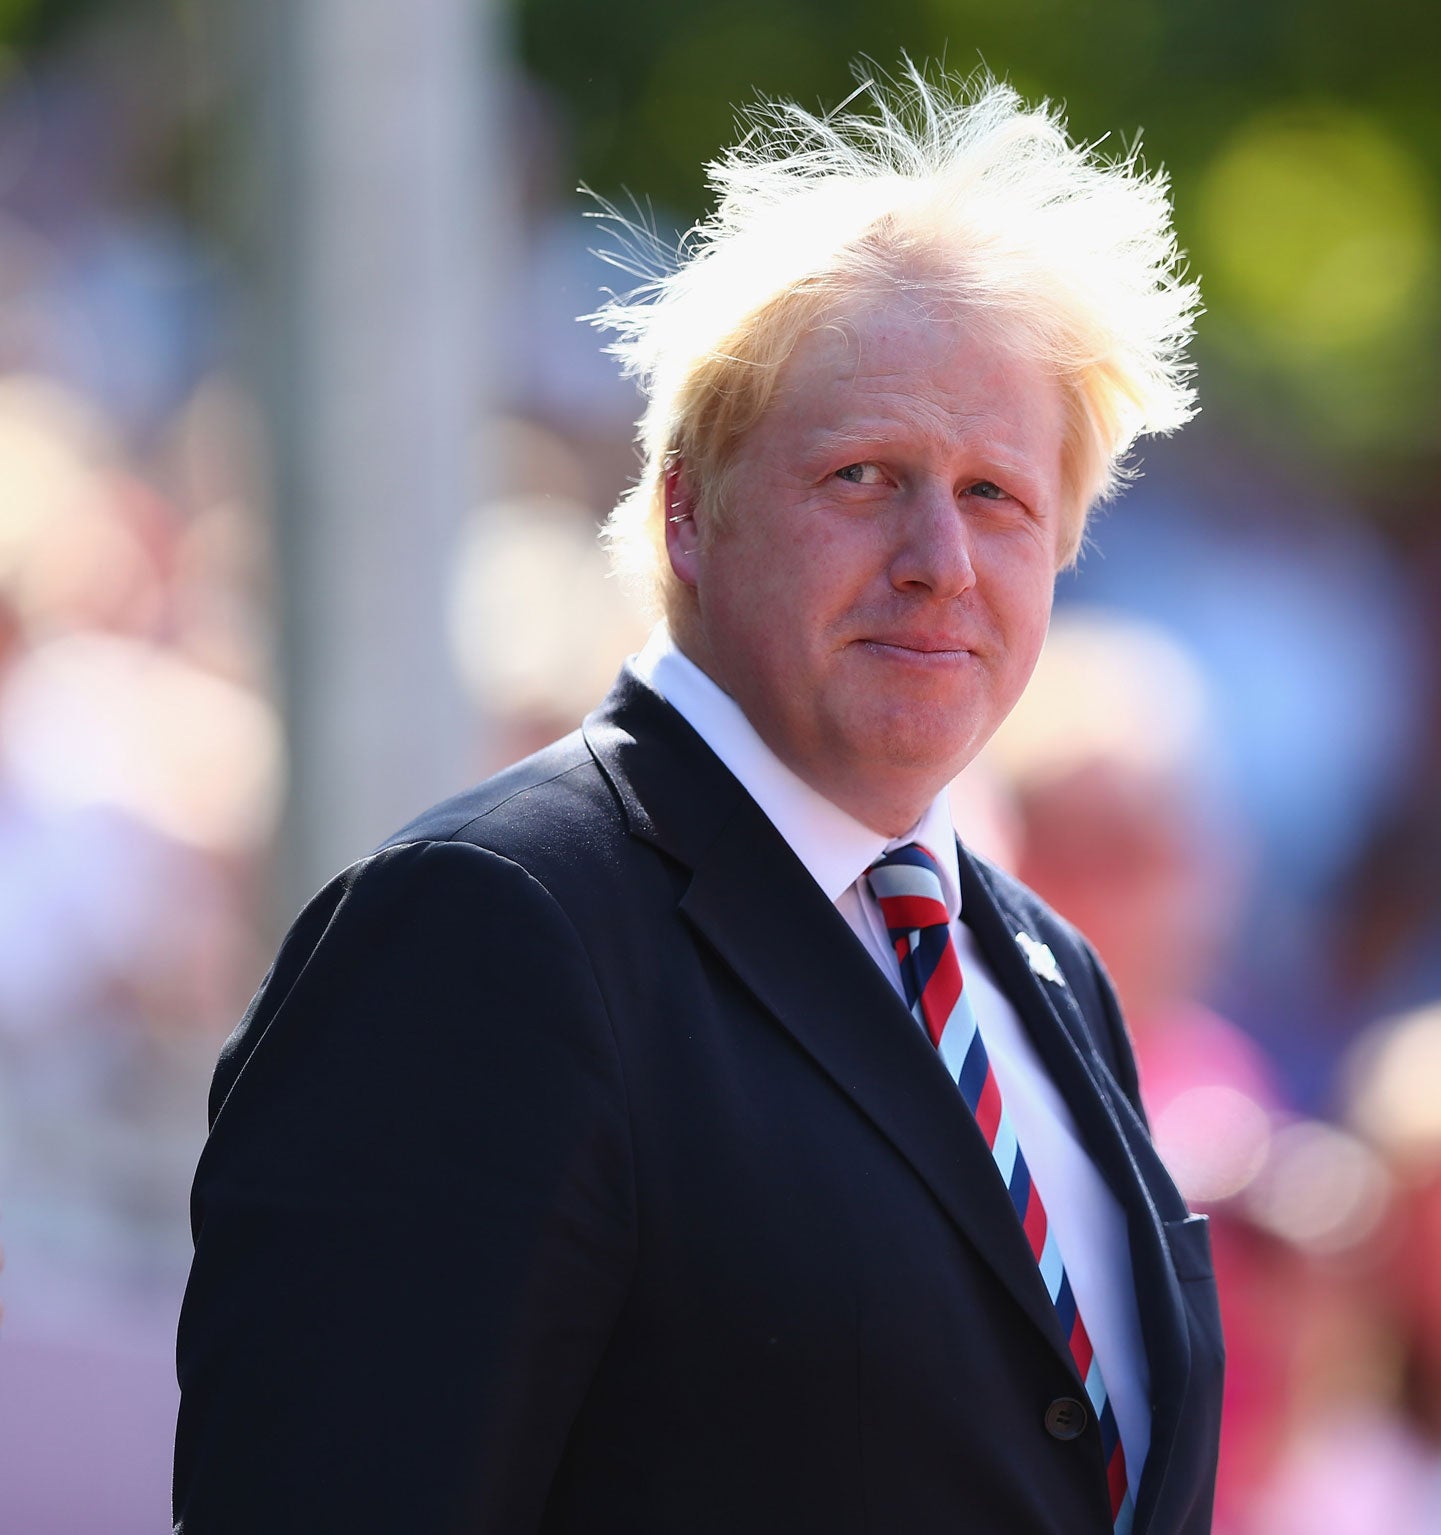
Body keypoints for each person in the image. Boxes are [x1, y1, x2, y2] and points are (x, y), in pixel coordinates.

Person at [172, 69, 1223, 1534]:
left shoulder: (1044, 970)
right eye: (866, 476)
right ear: (685, 505)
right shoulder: (491, 930)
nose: (942, 558)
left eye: (998, 496)